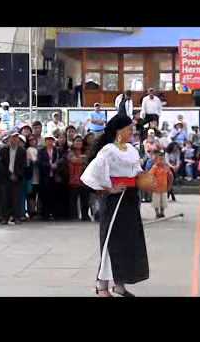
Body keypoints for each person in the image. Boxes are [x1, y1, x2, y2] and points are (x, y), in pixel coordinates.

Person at [81, 114, 149, 297]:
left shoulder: (133, 150)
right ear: (119, 131)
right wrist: (108, 189)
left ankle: (120, 284)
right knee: (112, 242)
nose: (132, 132)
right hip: (115, 202)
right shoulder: (108, 151)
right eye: (129, 129)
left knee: (128, 243)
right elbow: (90, 174)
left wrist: (146, 179)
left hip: (131, 199)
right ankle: (101, 285)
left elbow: (137, 172)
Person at [0, 132, 28, 225]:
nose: (14, 140)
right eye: (13, 138)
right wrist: (9, 174)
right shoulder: (3, 150)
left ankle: (16, 217)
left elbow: (23, 165)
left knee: (16, 198)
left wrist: (16, 175)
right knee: (5, 198)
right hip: (5, 178)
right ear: (9, 139)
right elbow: (1, 165)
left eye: (16, 138)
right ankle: (4, 218)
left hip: (17, 178)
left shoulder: (22, 151)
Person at [38, 134, 60, 220]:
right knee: (44, 196)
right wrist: (49, 165)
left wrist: (56, 165)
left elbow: (60, 160)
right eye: (48, 140)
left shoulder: (56, 150)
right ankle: (45, 214)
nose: (49, 142)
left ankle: (54, 213)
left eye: (51, 140)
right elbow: (39, 162)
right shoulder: (41, 151)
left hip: (54, 177)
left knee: (54, 196)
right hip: (44, 176)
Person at [68, 135, 90, 221]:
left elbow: (88, 161)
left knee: (85, 199)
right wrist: (82, 159)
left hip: (85, 179)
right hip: (74, 179)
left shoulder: (86, 151)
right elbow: (73, 160)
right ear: (73, 143)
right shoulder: (70, 152)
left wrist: (80, 159)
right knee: (73, 199)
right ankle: (73, 216)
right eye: (76, 141)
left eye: (80, 141)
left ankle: (85, 216)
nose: (78, 143)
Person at [149, 150, 173, 218]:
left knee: (163, 202)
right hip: (156, 188)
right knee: (156, 202)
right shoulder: (154, 167)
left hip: (164, 187)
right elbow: (150, 176)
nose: (161, 161)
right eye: (159, 159)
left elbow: (170, 176)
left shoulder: (166, 167)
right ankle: (157, 213)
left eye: (162, 159)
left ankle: (162, 212)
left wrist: (170, 185)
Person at [26, 135, 41, 219]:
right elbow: (34, 161)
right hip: (32, 176)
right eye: (30, 140)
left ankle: (38, 211)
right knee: (31, 195)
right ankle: (31, 211)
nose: (33, 142)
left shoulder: (38, 150)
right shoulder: (29, 150)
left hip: (38, 176)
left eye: (34, 140)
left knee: (37, 195)